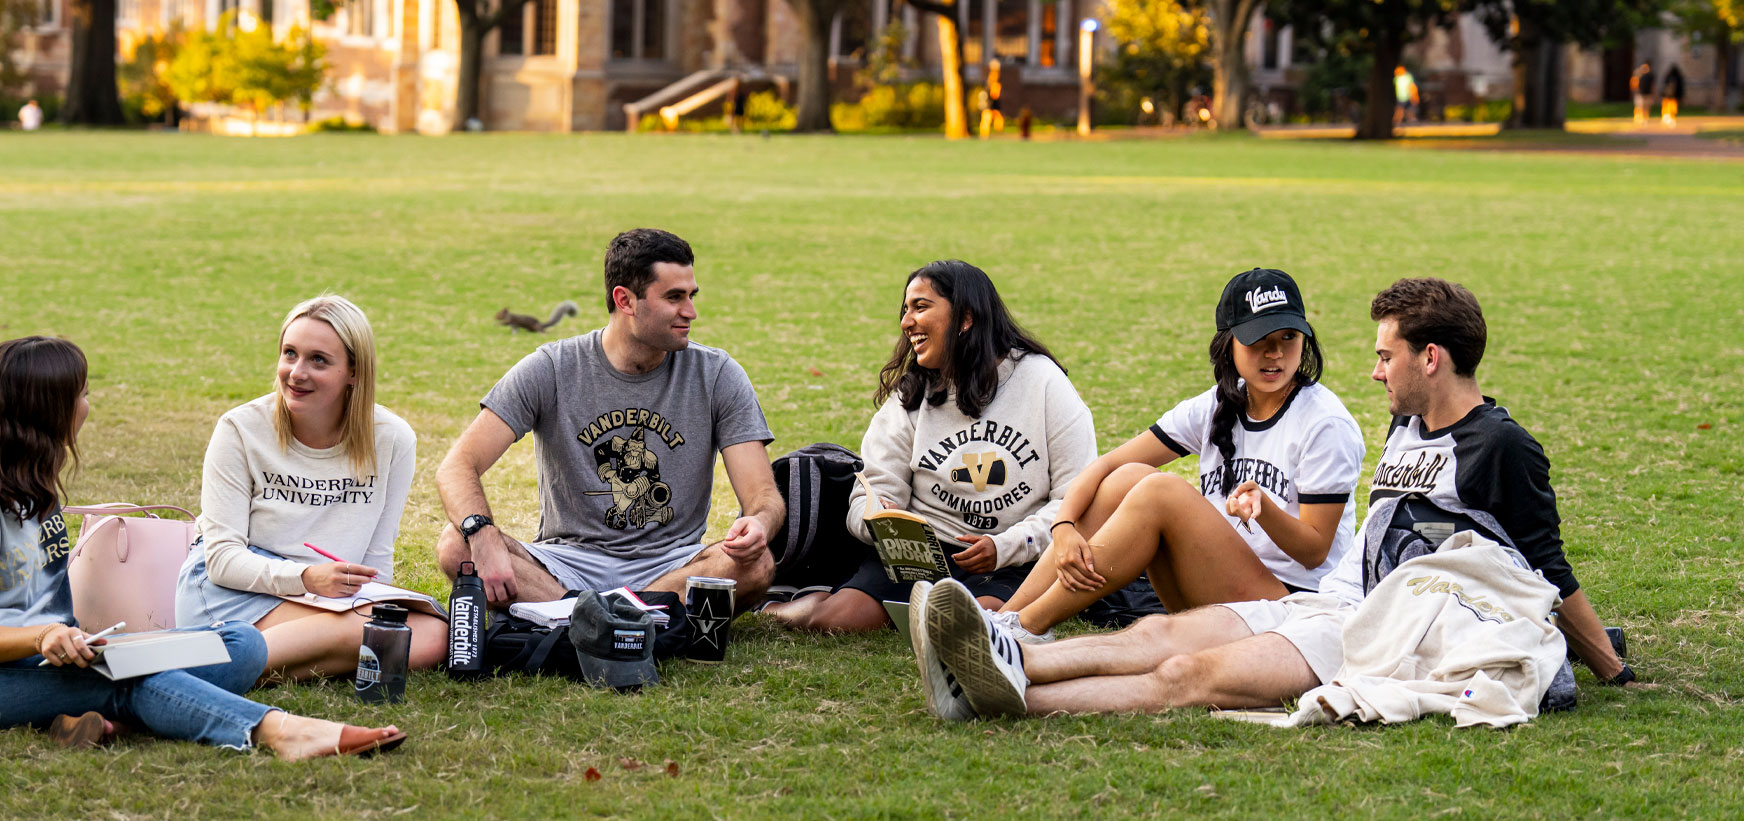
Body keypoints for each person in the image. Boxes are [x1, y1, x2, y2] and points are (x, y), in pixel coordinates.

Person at [913, 277, 1634, 719]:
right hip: (1317, 605)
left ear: (1431, 358)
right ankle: (999, 653)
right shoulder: (1407, 424)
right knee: (1157, 636)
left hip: (1363, 633)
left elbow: (1547, 567)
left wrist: (1610, 666)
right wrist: (1067, 520)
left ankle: (1009, 697)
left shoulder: (1499, 446)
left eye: (1387, 355)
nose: (1376, 371)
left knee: (1186, 677)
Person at [0, 336, 400, 758]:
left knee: (242, 645)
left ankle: (89, 711)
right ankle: (279, 732)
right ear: (45, 412)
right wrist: (41, 638)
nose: (87, 405)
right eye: (81, 394)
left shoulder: (34, 481)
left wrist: (73, 643)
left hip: (54, 659)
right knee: (133, 680)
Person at [991, 268, 1362, 644]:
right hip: (1220, 591)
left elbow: (1315, 552)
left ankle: (1026, 629)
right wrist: (1064, 526)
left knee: (1160, 492)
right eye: (1258, 339)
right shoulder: (1219, 402)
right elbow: (1106, 466)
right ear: (1228, 344)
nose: (1275, 353)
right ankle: (1003, 618)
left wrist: (1264, 509)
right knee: (1129, 477)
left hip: (1293, 610)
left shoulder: (1325, 423)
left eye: (1289, 337)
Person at [436, 228, 783, 607]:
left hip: (673, 565)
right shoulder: (552, 368)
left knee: (756, 565)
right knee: (457, 544)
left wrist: (760, 523)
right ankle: (626, 617)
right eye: (674, 297)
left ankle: (578, 617)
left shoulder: (717, 374)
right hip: (567, 562)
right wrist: (483, 536)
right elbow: (457, 467)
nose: (691, 311)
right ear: (625, 300)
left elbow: (763, 495)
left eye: (691, 296)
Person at [763, 260, 1096, 633]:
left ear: (966, 318)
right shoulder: (912, 395)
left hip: (1009, 559)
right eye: (905, 310)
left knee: (966, 625)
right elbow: (866, 493)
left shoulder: (1041, 381)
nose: (906, 322)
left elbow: (1076, 501)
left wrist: (1004, 546)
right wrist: (877, 520)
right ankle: (779, 608)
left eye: (920, 307)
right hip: (922, 558)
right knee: (834, 621)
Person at [176, 295, 440, 680]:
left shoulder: (393, 439)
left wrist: (372, 598)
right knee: (379, 635)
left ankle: (215, 664)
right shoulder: (239, 428)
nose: (296, 372)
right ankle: (183, 672)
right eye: (289, 354)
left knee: (431, 635)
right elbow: (222, 561)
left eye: (318, 360)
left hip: (326, 597)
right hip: (236, 589)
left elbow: (377, 556)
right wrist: (304, 578)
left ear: (354, 371)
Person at [1631, 61, 1653, 126]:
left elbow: (1652, 85)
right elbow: (1634, 85)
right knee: (1639, 107)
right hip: (1640, 94)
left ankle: (1645, 118)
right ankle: (1638, 118)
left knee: (1646, 107)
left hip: (1647, 94)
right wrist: (1635, 92)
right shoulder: (1638, 76)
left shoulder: (1649, 77)